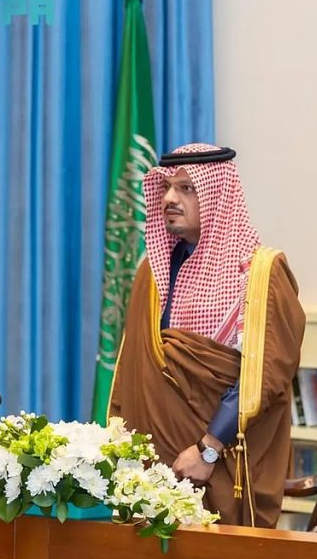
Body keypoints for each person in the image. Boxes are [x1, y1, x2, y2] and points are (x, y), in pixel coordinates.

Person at [110, 143, 305, 527]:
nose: (170, 198)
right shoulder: (152, 273)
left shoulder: (260, 274)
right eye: (166, 187)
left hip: (217, 464)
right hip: (149, 469)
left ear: (218, 196)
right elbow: (136, 369)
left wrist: (208, 449)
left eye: (187, 188)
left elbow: (262, 377)